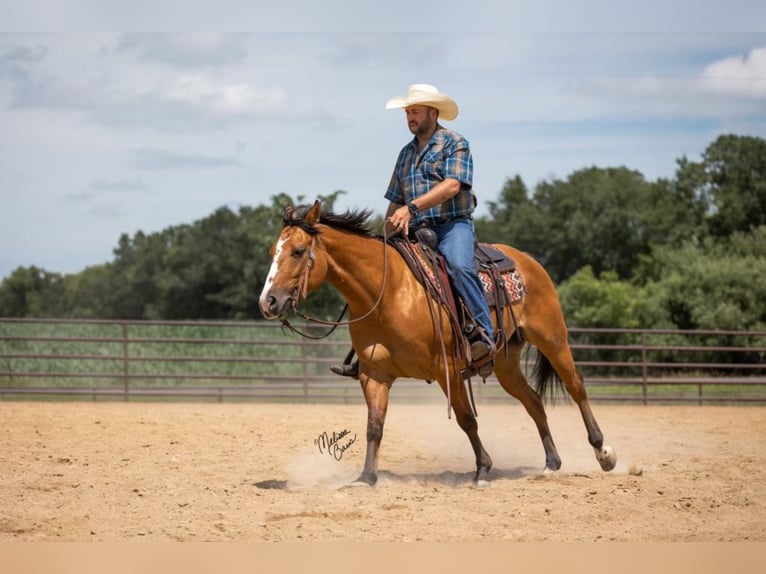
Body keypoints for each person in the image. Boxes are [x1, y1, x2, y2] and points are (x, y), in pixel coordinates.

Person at [331, 84, 496, 379]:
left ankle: (483, 336)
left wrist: (413, 208)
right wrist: (384, 235)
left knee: (459, 266)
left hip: (451, 225)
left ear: (433, 113)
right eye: (407, 112)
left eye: (415, 111)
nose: (410, 117)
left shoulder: (455, 143)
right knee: (374, 273)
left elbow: (452, 185)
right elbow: (396, 199)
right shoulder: (405, 154)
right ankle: (365, 354)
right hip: (413, 227)